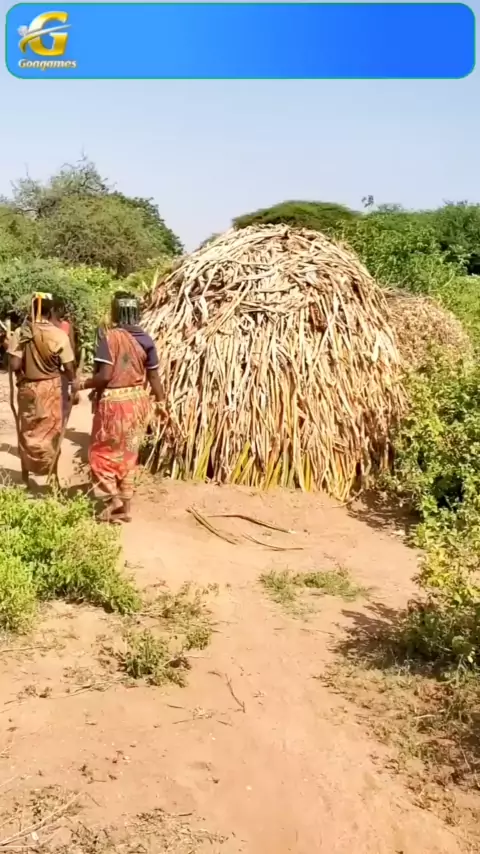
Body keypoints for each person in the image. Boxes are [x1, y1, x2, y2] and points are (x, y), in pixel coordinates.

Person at [72, 291, 165, 523]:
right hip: (139, 405)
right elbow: (154, 377)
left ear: (116, 311)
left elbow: (104, 376)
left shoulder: (110, 338)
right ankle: (125, 508)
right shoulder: (146, 339)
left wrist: (81, 384)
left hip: (114, 407)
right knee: (128, 454)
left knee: (100, 453)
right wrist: (161, 402)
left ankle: (113, 499)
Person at [7, 293, 76, 487]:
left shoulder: (21, 333)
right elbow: (69, 367)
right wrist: (73, 382)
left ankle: (26, 476)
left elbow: (14, 364)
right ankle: (52, 477)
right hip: (51, 388)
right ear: (50, 311)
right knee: (51, 433)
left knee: (28, 431)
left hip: (27, 388)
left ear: (31, 309)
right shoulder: (59, 334)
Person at [51, 298, 78, 421]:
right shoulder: (66, 326)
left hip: (47, 368)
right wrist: (73, 373)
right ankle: (61, 424)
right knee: (63, 397)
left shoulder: (40, 326)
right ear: (59, 309)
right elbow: (71, 348)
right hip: (63, 368)